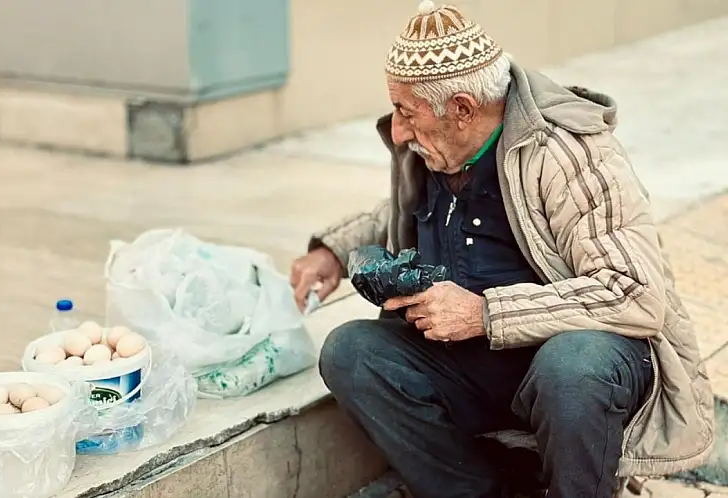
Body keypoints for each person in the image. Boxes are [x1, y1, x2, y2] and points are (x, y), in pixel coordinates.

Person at [289, 2, 715, 497]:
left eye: (407, 112)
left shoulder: (567, 153)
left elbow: (634, 294)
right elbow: (397, 211)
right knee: (351, 351)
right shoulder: (439, 148)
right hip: (478, 367)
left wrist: (485, 313)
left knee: (572, 369)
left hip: (568, 366)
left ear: (464, 109)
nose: (397, 130)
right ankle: (483, 490)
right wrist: (334, 252)